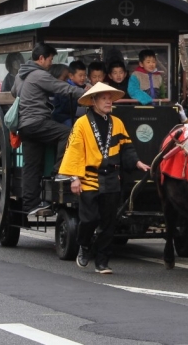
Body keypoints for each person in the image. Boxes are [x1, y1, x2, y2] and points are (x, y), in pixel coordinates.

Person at [59, 83, 151, 274]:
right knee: (89, 219)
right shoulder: (82, 123)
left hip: (111, 178)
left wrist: (136, 163)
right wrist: (74, 178)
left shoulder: (117, 122)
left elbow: (127, 147)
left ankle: (102, 261)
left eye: (110, 98)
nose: (109, 101)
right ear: (93, 101)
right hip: (89, 178)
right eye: (104, 98)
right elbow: (74, 151)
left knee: (109, 223)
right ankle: (84, 245)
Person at [11, 43, 88, 217]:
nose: (51, 63)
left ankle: (30, 205)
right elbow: (62, 88)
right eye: (50, 59)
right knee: (67, 133)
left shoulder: (20, 75)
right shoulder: (38, 74)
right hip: (37, 121)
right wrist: (87, 93)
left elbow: (13, 92)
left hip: (24, 125)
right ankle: (60, 172)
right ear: (41, 58)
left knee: (31, 166)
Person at [52, 60, 87, 127]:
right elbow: (66, 107)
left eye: (84, 75)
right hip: (64, 118)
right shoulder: (65, 88)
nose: (83, 78)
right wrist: (81, 99)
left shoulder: (83, 87)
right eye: (80, 75)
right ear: (71, 76)